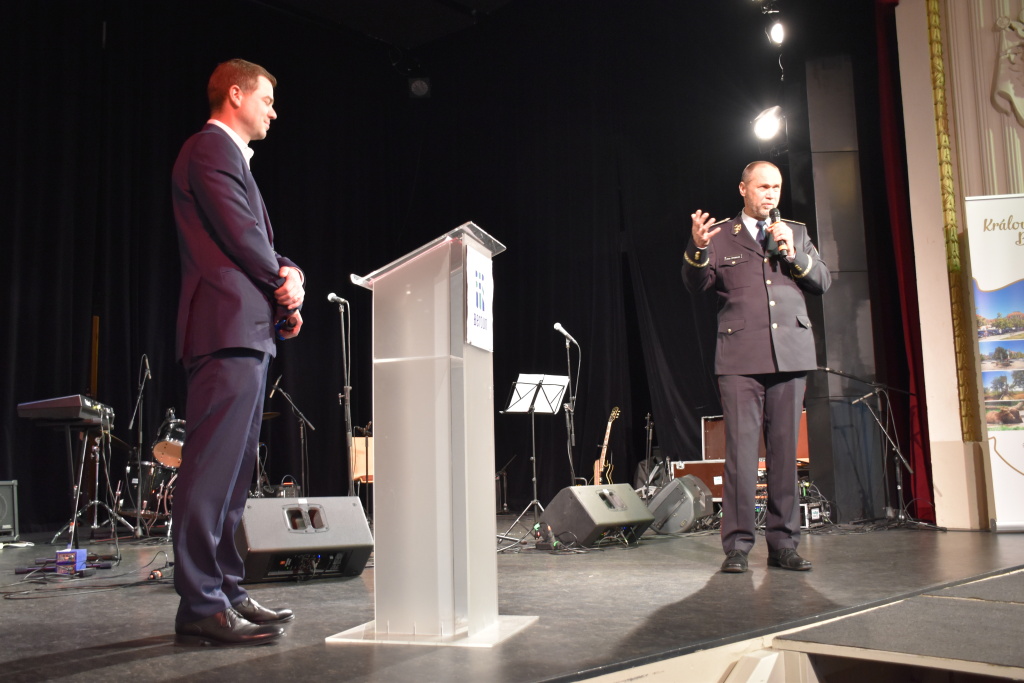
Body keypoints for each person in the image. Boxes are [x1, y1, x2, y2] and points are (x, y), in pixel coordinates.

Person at [171, 59, 304, 645]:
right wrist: (282, 278)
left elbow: (255, 239)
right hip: (223, 329)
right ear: (235, 94)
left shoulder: (234, 159)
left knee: (233, 473)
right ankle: (201, 603)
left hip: (247, 332)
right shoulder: (210, 148)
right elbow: (240, 234)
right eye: (267, 99)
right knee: (210, 470)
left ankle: (225, 589)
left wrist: (289, 280)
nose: (273, 111)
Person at [683, 161, 831, 574]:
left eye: (776, 187)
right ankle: (737, 546)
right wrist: (697, 249)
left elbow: (822, 281)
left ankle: (784, 544)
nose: (771, 194)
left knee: (785, 455)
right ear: (743, 189)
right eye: (763, 186)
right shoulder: (720, 235)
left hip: (790, 356)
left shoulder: (795, 232)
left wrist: (793, 252)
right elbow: (695, 285)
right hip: (740, 358)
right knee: (741, 456)